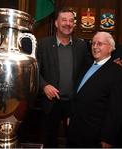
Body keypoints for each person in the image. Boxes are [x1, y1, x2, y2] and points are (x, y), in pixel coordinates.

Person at [37, 7, 90, 147]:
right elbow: (34, 71)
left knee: (74, 141)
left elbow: (89, 70)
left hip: (74, 104)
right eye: (64, 20)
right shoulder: (43, 44)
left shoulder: (81, 45)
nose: (68, 23)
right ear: (56, 23)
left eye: (71, 20)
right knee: (49, 141)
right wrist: (44, 86)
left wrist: (110, 64)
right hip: (51, 103)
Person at [67, 32, 122, 148]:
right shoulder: (86, 66)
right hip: (74, 131)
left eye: (100, 44)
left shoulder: (118, 73)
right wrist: (71, 115)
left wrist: (107, 137)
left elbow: (116, 110)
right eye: (93, 43)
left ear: (110, 48)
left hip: (94, 136)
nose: (95, 47)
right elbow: (77, 95)